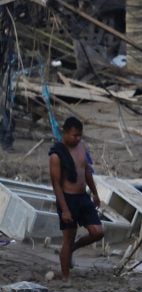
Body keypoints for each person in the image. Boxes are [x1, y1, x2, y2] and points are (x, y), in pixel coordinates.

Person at [48, 116, 103, 280]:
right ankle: (65, 276)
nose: (77, 138)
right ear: (65, 133)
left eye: (79, 135)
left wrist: (95, 193)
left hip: (82, 196)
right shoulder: (56, 155)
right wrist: (64, 209)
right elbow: (56, 184)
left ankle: (73, 248)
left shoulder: (82, 147)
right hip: (67, 199)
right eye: (74, 135)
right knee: (68, 237)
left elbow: (86, 172)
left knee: (97, 232)